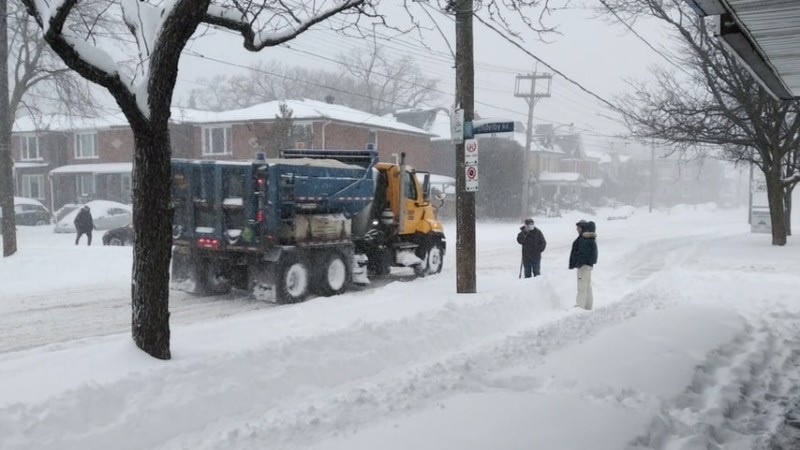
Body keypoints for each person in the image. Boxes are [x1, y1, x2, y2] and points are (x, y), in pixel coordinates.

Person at [569, 220, 598, 309]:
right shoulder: (590, 238)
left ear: (582, 228)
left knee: (581, 287)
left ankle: (580, 306)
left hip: (583, 266)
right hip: (588, 265)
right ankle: (588, 306)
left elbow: (583, 253)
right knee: (587, 286)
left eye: (578, 227)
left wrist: (578, 263)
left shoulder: (584, 239)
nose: (577, 229)